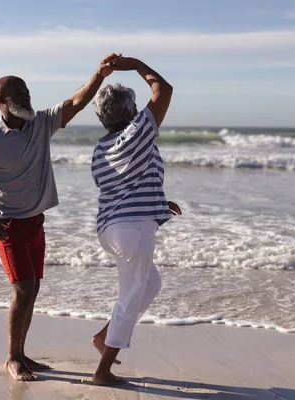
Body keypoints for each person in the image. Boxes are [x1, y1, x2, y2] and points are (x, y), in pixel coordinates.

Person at [0, 54, 121, 382]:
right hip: (7, 225)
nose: (27, 100)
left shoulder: (41, 123)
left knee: (32, 290)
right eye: (20, 96)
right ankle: (12, 359)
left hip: (35, 222)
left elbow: (76, 101)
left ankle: (21, 353)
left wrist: (100, 74)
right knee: (24, 290)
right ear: (1, 102)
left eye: (28, 93)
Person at [89, 56, 182, 386]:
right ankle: (103, 371)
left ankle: (105, 336)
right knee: (130, 296)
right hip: (132, 228)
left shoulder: (102, 148)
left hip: (111, 228)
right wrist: (134, 63)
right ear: (130, 113)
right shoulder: (136, 133)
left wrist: (159, 201)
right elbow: (163, 90)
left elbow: (123, 184)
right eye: (135, 107)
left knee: (149, 285)